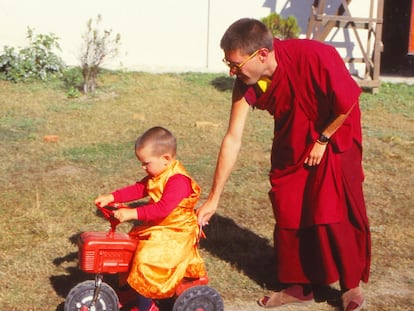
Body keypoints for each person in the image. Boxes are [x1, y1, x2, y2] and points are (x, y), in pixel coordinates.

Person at [196, 18, 370, 311]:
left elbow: (348, 100)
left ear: (261, 55)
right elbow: (232, 138)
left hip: (335, 135)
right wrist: (214, 198)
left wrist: (323, 139)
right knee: (289, 206)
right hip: (293, 141)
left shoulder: (317, 55)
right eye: (228, 63)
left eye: (236, 64)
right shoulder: (246, 82)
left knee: (332, 209)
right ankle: (298, 287)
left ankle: (349, 286)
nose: (231, 71)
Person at [95, 126, 206, 311]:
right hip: (161, 227)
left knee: (147, 258)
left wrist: (132, 213)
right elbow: (138, 189)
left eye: (146, 163)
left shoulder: (178, 181)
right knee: (130, 247)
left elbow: (162, 209)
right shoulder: (158, 174)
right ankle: (128, 292)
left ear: (166, 159)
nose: (143, 167)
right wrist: (112, 197)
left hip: (177, 232)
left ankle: (147, 305)